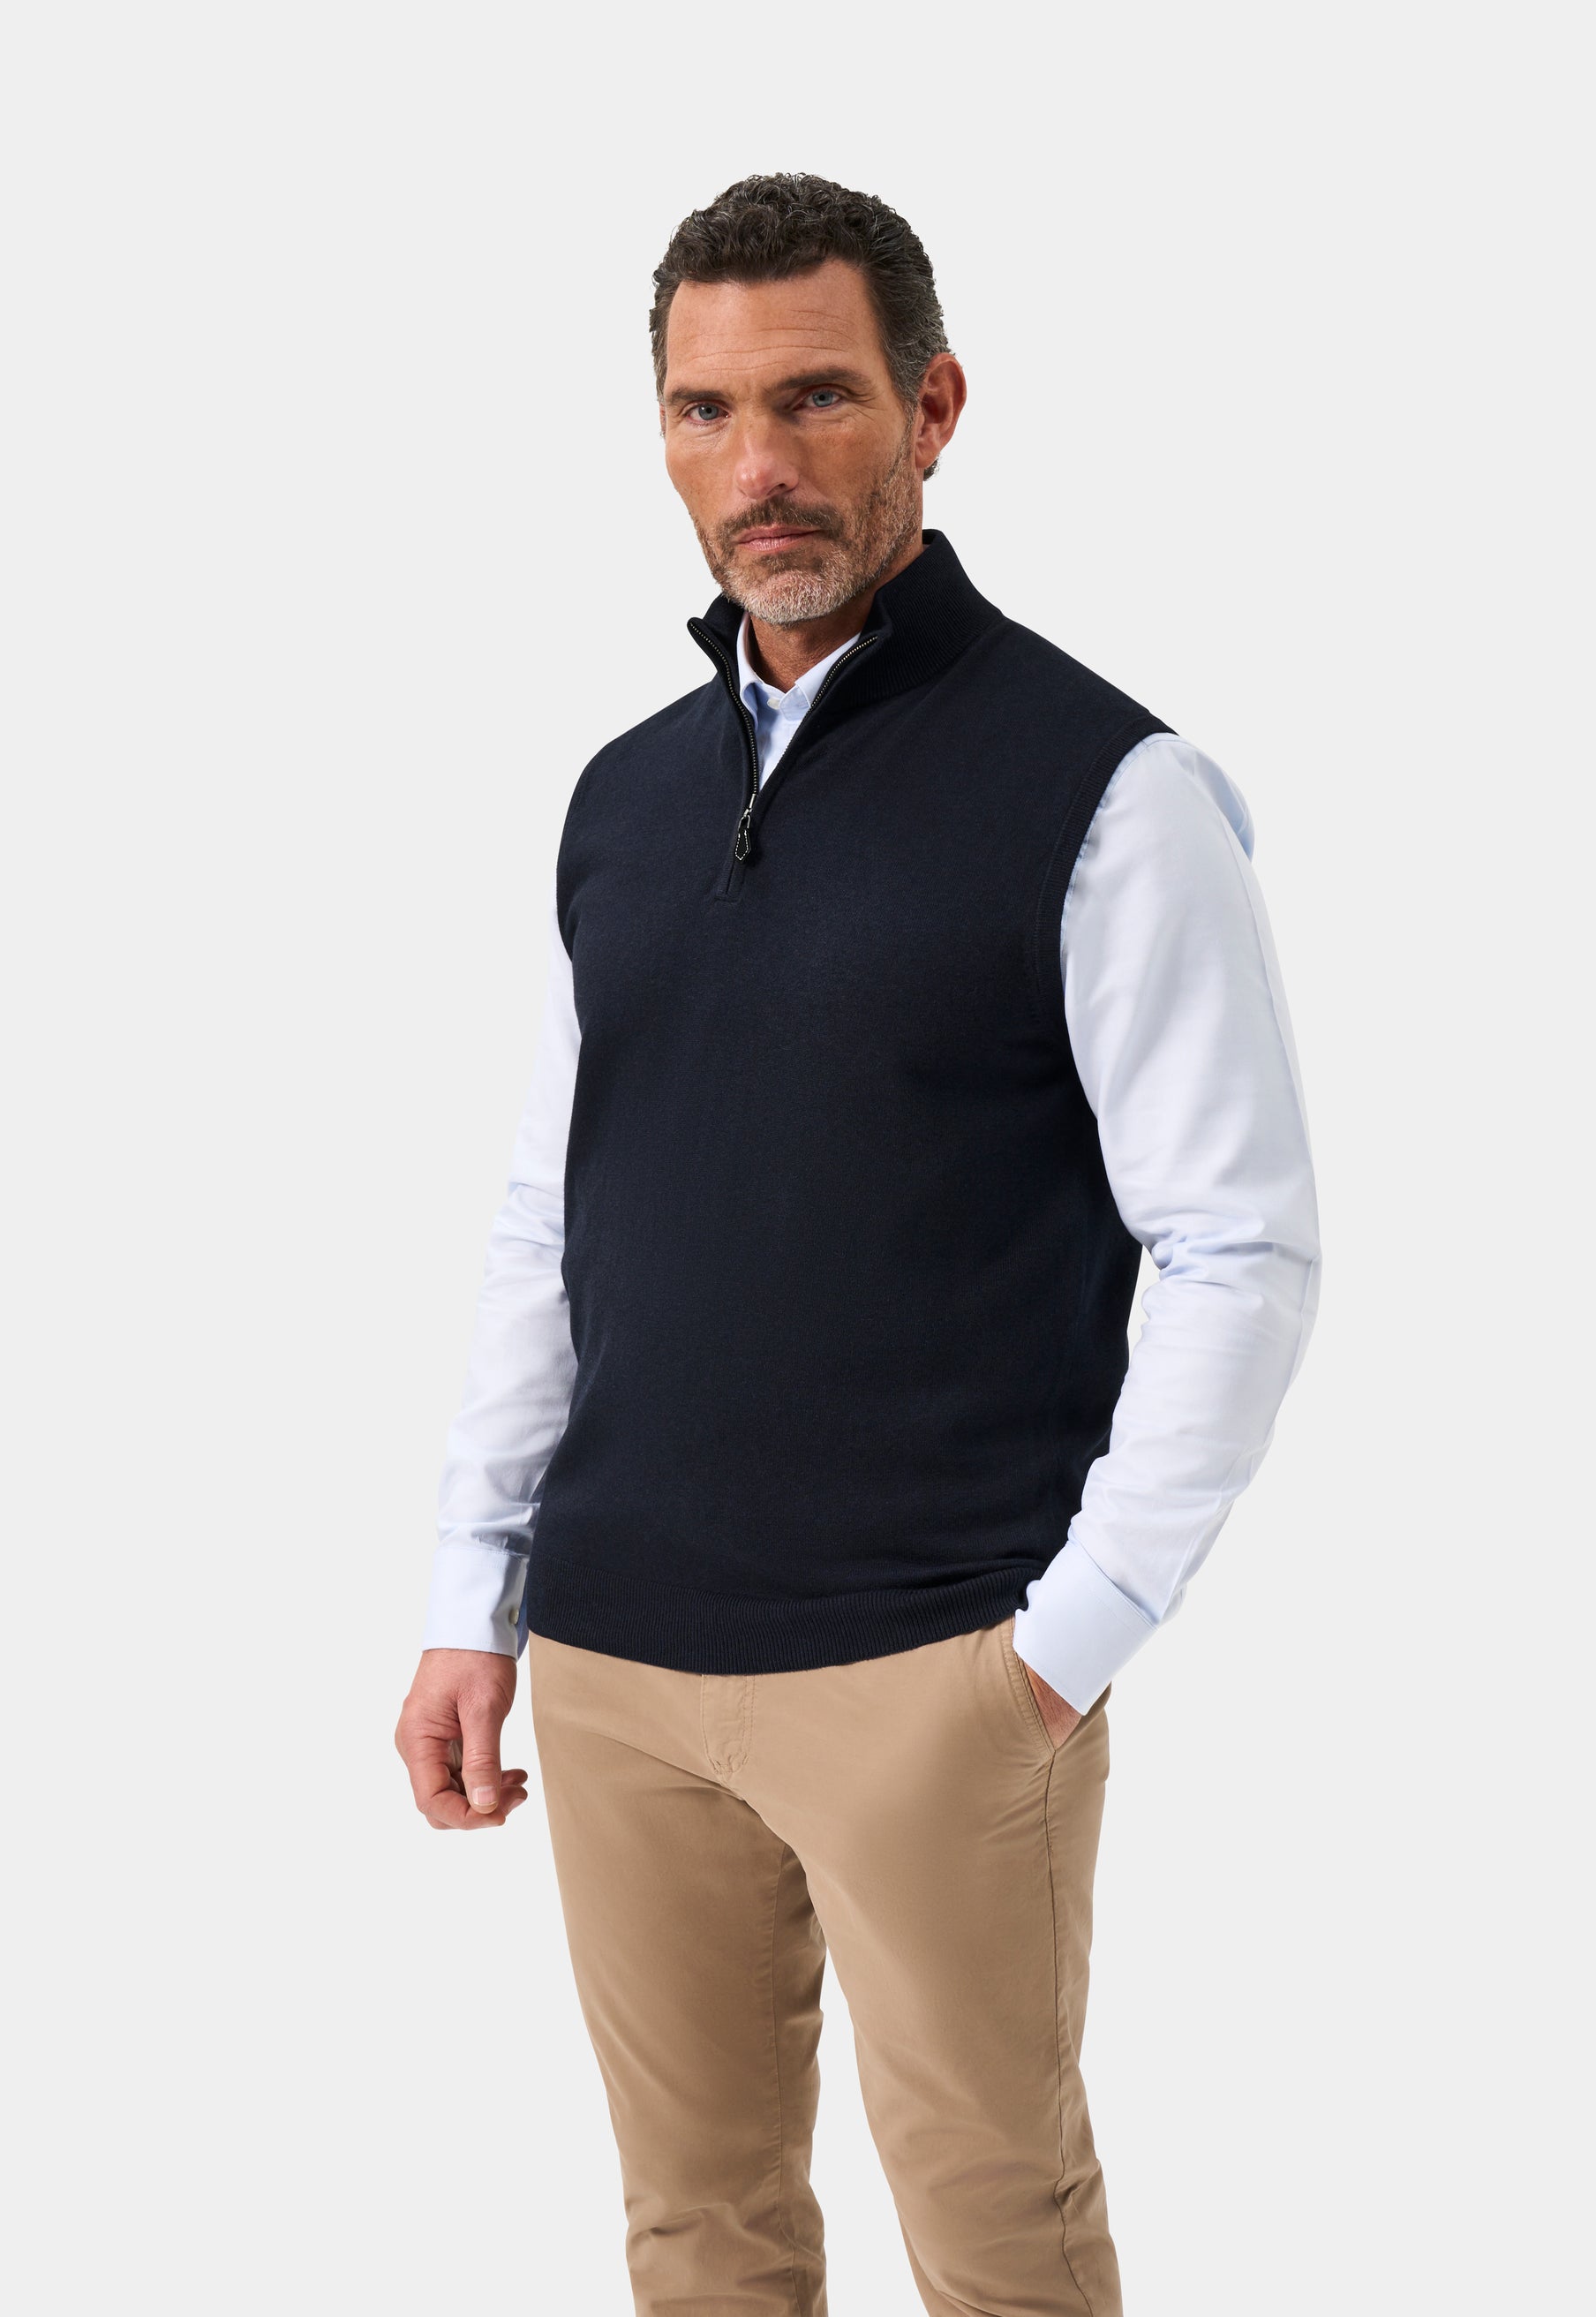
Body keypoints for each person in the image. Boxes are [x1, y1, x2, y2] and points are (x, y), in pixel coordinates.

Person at [395, 172, 1321, 2317]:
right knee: (694, 2233)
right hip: (619, 1665)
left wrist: (1059, 1646)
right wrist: (474, 1594)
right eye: (706, 411)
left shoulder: (1105, 790)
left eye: (814, 397)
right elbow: (552, 1211)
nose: (761, 467)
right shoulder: (621, 799)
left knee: (998, 2238)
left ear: (932, 406)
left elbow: (1236, 1246)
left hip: (934, 1666)